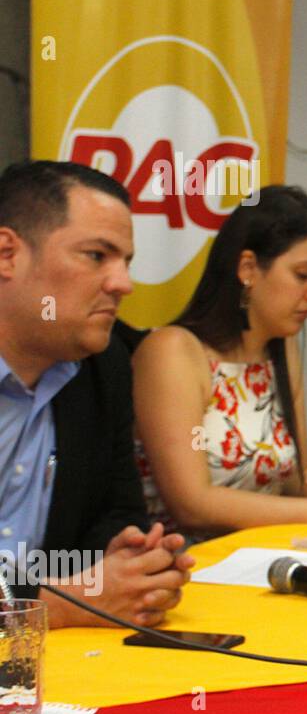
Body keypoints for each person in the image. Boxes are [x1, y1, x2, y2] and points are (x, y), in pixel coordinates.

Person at [132, 186, 307, 541]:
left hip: (264, 558)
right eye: (304, 274)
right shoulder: (173, 352)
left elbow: (291, 488)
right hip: (186, 569)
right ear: (248, 268)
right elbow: (193, 503)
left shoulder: (279, 351)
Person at [0, 160, 192, 628]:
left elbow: (116, 511)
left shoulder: (101, 366)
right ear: (7, 254)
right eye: (95, 256)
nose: (123, 284)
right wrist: (61, 604)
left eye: (126, 261)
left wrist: (130, 559)